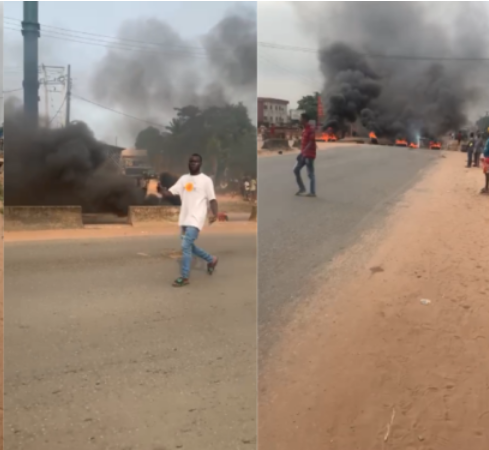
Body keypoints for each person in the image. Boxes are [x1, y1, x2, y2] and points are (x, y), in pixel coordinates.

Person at [160, 153, 219, 287]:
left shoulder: (206, 180)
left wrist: (215, 214)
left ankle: (184, 276)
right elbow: (172, 192)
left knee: (185, 246)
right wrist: (163, 191)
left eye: (196, 162)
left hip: (196, 219)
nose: (193, 164)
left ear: (200, 164)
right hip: (184, 219)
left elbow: (212, 199)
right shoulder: (184, 179)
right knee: (190, 246)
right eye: (191, 162)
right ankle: (211, 259)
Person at [294, 112, 316, 197]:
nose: (299, 119)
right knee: (296, 170)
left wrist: (303, 152)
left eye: (300, 118)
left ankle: (312, 192)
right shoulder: (304, 129)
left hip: (309, 155)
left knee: (310, 173)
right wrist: (301, 153)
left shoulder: (311, 129)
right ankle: (302, 188)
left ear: (305, 119)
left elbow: (311, 142)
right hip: (304, 154)